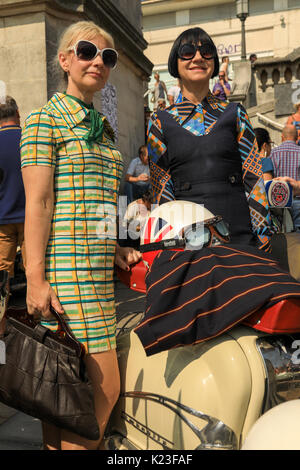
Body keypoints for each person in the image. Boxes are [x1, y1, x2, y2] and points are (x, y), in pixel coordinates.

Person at [20, 20, 141, 451]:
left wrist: (115, 247)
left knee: (61, 393)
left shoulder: (103, 129)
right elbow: (39, 203)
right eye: (87, 51)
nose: (98, 62)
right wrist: (34, 278)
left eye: (107, 57)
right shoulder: (43, 120)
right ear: (65, 59)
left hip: (96, 270)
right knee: (103, 387)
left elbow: (102, 202)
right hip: (66, 273)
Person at [147, 26, 273, 250]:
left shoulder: (235, 113)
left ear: (214, 62)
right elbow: (161, 190)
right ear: (174, 63)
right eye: (187, 51)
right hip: (188, 238)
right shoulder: (159, 121)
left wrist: (263, 237)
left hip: (238, 233)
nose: (198, 57)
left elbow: (254, 180)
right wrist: (167, 245)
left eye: (206, 51)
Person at [0, 96, 26, 335]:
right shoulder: (29, 140)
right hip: (31, 219)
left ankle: (1, 332)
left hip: (2, 220)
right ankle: (39, 331)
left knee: (1, 277)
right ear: (18, 114)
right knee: (36, 272)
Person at [269, 125, 300, 231]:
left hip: (279, 201)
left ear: (282, 137)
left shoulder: (273, 153)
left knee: (282, 234)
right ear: (297, 137)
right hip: (298, 200)